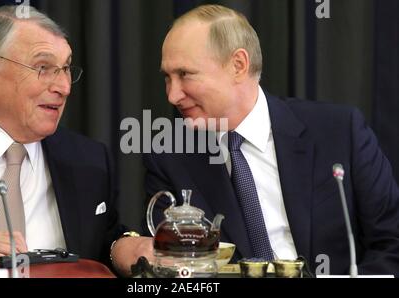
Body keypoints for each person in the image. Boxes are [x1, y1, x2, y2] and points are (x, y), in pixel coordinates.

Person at [144, 4, 399, 276]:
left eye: (184, 74)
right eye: (167, 78)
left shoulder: (339, 132)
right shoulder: (170, 157)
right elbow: (172, 267)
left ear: (238, 65)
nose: (172, 95)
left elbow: (392, 243)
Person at [0, 5, 152, 276]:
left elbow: (104, 243)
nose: (64, 87)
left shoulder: (89, 161)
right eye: (43, 67)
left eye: (66, 68)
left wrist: (128, 247)